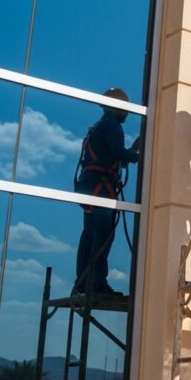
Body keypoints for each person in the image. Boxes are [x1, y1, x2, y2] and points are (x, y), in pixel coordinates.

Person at [73, 87, 140, 297]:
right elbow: (120, 154)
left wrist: (131, 151)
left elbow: (112, 154)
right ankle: (97, 283)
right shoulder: (111, 126)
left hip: (91, 186)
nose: (127, 113)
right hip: (100, 188)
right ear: (115, 107)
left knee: (90, 234)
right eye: (125, 109)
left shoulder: (98, 126)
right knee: (103, 236)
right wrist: (137, 152)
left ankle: (84, 281)